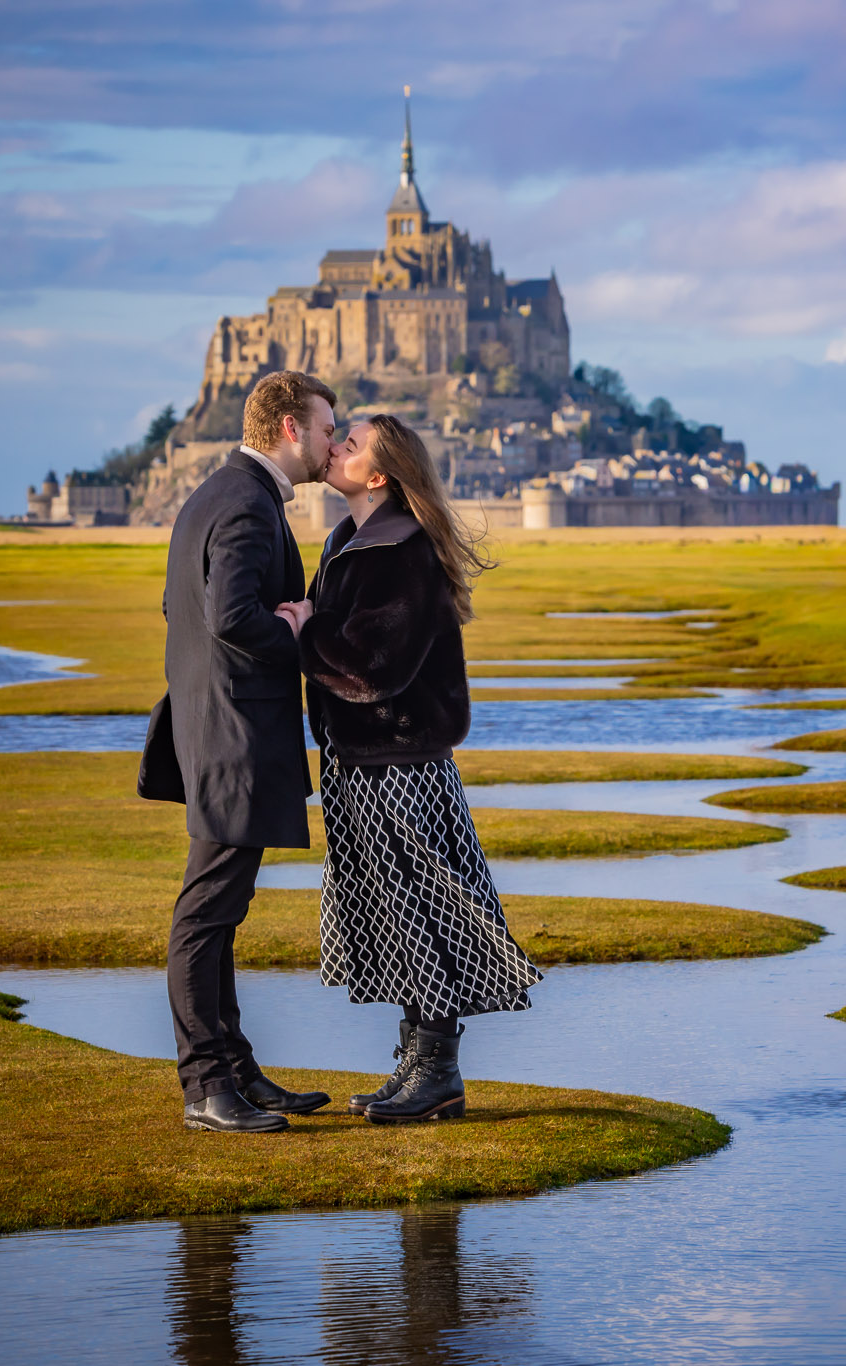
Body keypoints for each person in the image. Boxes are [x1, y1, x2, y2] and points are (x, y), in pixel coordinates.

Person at [299, 414, 542, 1124]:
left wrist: (300, 631)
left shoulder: (397, 550)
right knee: (397, 911)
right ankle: (417, 1064)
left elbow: (374, 669)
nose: (335, 445)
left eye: (351, 444)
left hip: (399, 761)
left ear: (378, 475)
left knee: (424, 912)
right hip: (364, 759)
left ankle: (436, 1070)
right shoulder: (354, 539)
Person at [138, 370, 337, 1134]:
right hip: (234, 736)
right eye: (326, 428)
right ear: (290, 429)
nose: (330, 442)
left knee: (220, 908)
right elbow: (229, 617)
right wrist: (293, 625)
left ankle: (235, 1070)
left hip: (211, 726)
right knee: (206, 912)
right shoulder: (249, 504)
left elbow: (176, 604)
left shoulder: (215, 494)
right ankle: (206, 1087)